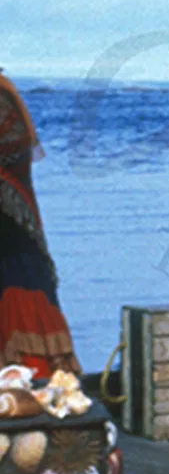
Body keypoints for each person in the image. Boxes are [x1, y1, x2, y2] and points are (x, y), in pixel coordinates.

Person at [0, 70, 81, 378]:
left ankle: (31, 380)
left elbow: (13, 150)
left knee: (19, 292)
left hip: (10, 220)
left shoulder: (2, 96)